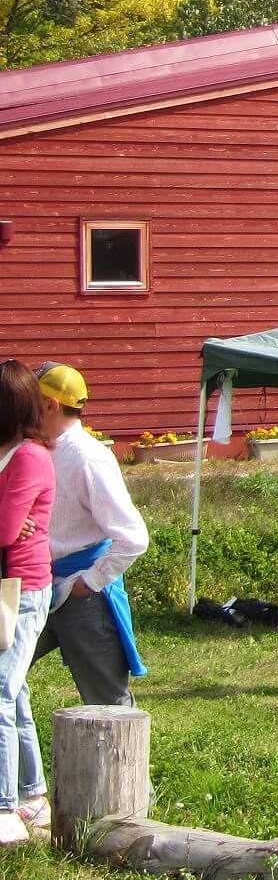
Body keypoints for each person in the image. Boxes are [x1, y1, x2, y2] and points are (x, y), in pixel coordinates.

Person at [31, 364, 149, 702]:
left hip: (84, 595)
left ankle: (122, 757)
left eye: (31, 400)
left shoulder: (87, 457)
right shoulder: (38, 449)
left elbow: (133, 536)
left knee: (107, 703)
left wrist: (91, 582)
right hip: (37, 585)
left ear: (50, 405)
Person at [0, 360, 56, 845]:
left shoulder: (28, 457)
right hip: (7, 583)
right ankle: (33, 797)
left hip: (22, 585)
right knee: (14, 694)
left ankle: (4, 810)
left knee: (1, 689)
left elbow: (4, 529)